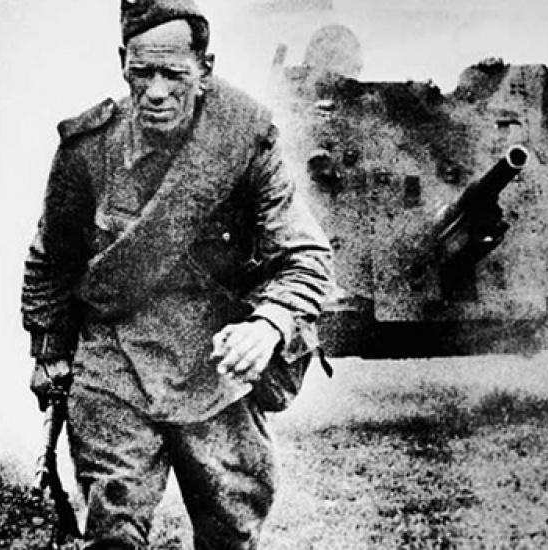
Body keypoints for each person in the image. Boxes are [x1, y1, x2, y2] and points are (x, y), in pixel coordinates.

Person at [21, 0, 333, 548]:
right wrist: (48, 352)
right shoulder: (86, 151)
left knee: (230, 532)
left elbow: (306, 255)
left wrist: (268, 325)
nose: (156, 91)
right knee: (113, 533)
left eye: (173, 74)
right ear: (122, 63)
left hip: (217, 370)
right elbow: (53, 259)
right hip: (114, 363)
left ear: (204, 69)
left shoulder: (245, 141)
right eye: (142, 73)